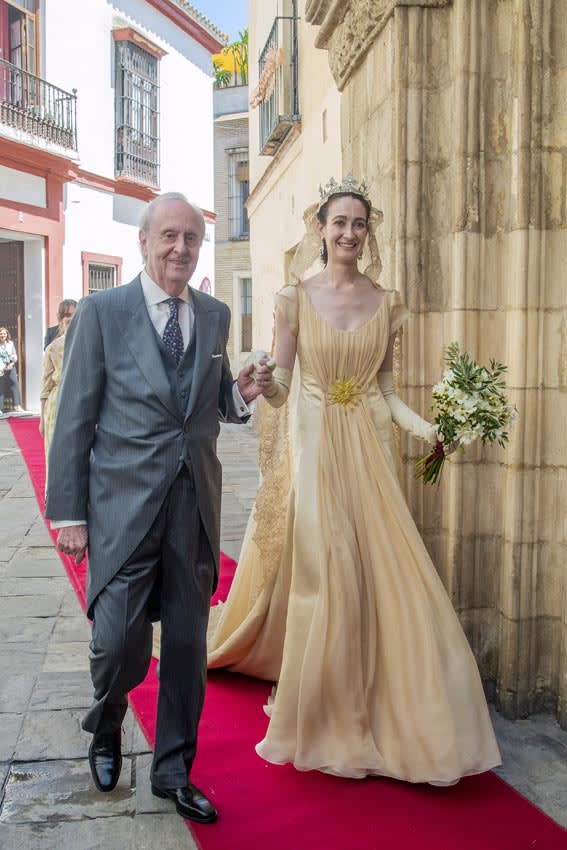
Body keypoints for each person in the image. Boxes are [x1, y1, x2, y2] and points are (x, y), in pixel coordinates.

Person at [207, 176, 502, 784]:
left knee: (386, 570)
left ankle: (389, 704)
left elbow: (385, 391)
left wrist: (432, 431)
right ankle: (323, 711)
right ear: (320, 229)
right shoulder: (293, 299)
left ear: (369, 234)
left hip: (367, 453)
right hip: (315, 454)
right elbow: (285, 386)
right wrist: (262, 385)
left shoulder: (388, 301)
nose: (348, 233)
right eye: (339, 222)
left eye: (359, 224)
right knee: (329, 567)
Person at [45, 192, 273, 823]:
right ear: (144, 242)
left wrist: (238, 393)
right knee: (118, 642)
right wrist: (69, 512)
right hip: (121, 506)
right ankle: (107, 721)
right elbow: (73, 419)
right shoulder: (102, 313)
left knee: (184, 649)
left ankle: (173, 770)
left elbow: (204, 403)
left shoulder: (217, 314)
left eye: (191, 239)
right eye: (168, 236)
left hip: (192, 507)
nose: (179, 248)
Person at [39, 303, 76, 471]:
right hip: (56, 406)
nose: (70, 318)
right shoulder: (52, 348)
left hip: (79, 402)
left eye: (74, 314)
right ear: (60, 320)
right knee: (55, 455)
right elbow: (45, 387)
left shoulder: (89, 343)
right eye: (67, 315)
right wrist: (41, 420)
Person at [0, 326, 25, 415]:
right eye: (1, 334)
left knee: (14, 385)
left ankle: (17, 406)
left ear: (7, 335)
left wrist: (11, 364)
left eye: (4, 333)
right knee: (1, 388)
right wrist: (3, 367)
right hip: (1, 369)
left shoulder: (10, 343)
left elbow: (14, 355)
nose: (3, 335)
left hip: (11, 367)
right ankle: (0, 408)